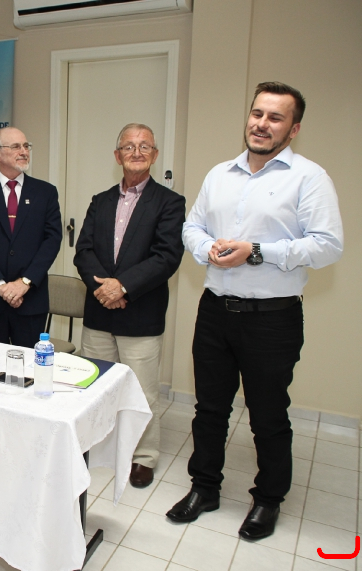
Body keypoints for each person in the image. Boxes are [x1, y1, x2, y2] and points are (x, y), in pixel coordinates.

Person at [168, 82, 343, 540]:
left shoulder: (309, 178)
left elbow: (328, 245)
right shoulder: (219, 175)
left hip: (272, 319)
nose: (262, 124)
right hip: (215, 312)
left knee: (268, 415)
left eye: (275, 117)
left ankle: (267, 500)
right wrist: (207, 248)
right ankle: (204, 488)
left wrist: (258, 251)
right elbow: (192, 226)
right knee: (209, 410)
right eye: (257, 113)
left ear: (294, 129)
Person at [74, 123, 185, 488]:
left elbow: (166, 257)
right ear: (117, 155)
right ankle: (97, 445)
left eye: (144, 146)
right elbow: (83, 251)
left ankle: (143, 456)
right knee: (96, 386)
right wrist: (104, 288)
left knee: (142, 391)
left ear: (154, 155)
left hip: (141, 312)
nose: (136, 152)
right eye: (128, 146)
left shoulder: (169, 203)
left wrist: (121, 287)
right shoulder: (100, 201)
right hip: (99, 313)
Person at [0, 127, 62, 348]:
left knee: (28, 364)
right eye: (16, 146)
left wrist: (24, 283)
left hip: (31, 299)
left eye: (26, 146)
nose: (24, 151)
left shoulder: (46, 192)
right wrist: (1, 286)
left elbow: (52, 240)